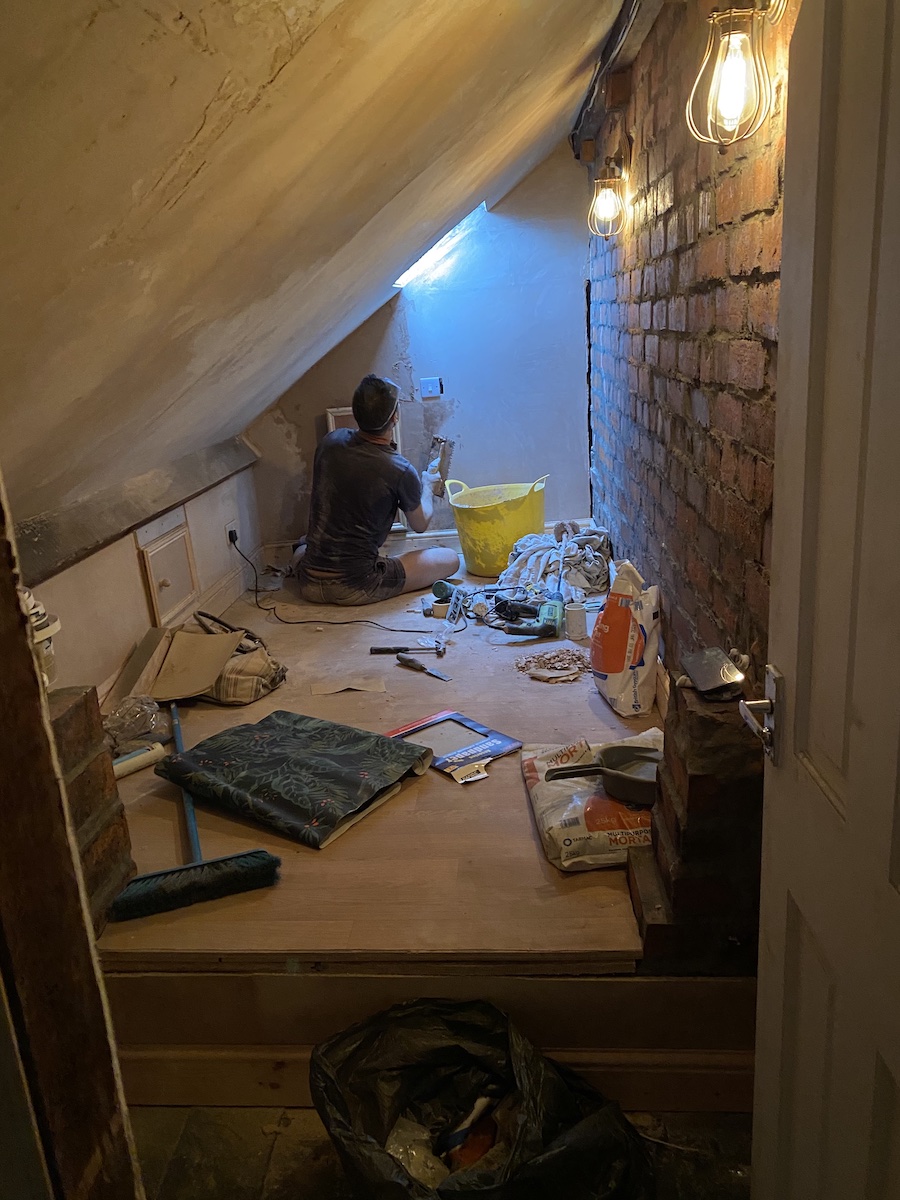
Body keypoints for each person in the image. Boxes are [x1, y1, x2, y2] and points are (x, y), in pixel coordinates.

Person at [294, 375, 460, 605]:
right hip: (356, 585)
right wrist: (428, 487)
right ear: (395, 417)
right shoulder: (398, 469)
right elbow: (420, 525)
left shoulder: (330, 441)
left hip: (308, 581)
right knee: (450, 559)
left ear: (355, 413)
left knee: (303, 545)